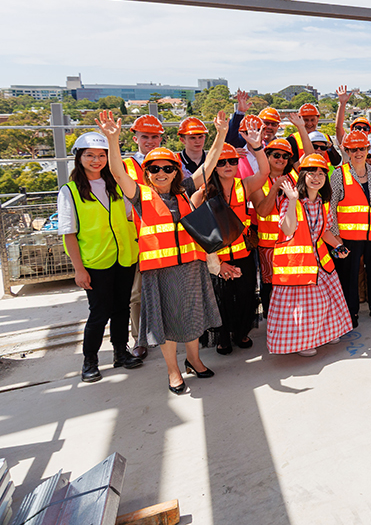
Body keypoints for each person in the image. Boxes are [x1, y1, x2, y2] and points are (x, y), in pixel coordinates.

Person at [100, 110, 224, 395]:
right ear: (147, 172)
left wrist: (219, 134)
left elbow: (209, 164)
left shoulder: (184, 191)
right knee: (167, 322)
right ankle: (173, 370)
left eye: (168, 168)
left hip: (191, 266)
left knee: (192, 316)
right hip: (159, 270)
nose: (161, 173)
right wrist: (113, 140)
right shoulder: (140, 195)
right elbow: (117, 171)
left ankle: (194, 360)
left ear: (176, 171)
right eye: (155, 169)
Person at [59, 132, 142, 383]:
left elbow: (130, 216)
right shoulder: (70, 191)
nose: (96, 160)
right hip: (95, 262)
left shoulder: (115, 185)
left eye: (101, 156)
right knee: (99, 312)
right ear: (79, 157)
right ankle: (90, 361)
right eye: (90, 155)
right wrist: (78, 269)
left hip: (124, 257)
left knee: (121, 308)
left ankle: (120, 352)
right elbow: (69, 234)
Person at [271, 153, 353, 355]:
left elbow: (324, 230)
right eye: (312, 173)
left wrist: (337, 246)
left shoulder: (323, 203)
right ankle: (304, 342)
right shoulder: (291, 201)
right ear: (303, 176)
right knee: (306, 307)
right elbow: (288, 229)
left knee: (329, 300)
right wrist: (291, 201)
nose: (317, 177)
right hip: (298, 267)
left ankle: (328, 333)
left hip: (321, 262)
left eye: (321, 174)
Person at [201, 136, 269, 355]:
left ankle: (241, 332)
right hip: (218, 260)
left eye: (231, 161)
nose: (227, 166)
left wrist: (257, 147)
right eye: (221, 162)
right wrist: (217, 263)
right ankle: (223, 338)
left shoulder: (245, 185)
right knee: (221, 300)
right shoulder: (203, 192)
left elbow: (264, 173)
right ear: (213, 166)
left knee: (245, 295)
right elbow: (197, 229)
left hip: (243, 255)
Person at [329, 130, 371, 327]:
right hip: (349, 237)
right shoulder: (339, 175)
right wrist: (336, 236)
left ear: (367, 149)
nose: (358, 153)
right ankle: (351, 312)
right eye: (353, 149)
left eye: (362, 148)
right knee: (350, 275)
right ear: (346, 151)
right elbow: (331, 207)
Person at [122, 112, 165, 358]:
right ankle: (139, 339)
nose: (150, 141)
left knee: (168, 287)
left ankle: (169, 331)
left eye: (155, 136)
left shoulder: (168, 161)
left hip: (166, 237)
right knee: (137, 293)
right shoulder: (127, 166)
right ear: (136, 137)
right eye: (145, 136)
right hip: (139, 236)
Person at [251, 138, 296, 317]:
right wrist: (275, 187)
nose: (281, 159)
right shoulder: (258, 181)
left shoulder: (294, 177)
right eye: (276, 155)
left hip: (291, 243)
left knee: (291, 283)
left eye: (285, 156)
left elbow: (311, 155)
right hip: (269, 246)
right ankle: (272, 320)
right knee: (270, 287)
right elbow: (262, 211)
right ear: (267, 157)